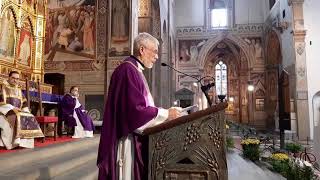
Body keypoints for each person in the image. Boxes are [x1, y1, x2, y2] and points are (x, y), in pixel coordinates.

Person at [97, 32, 181, 180]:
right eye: (154, 51)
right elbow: (135, 112)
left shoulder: (135, 70)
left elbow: (142, 106)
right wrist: (166, 114)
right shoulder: (128, 70)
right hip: (127, 140)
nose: (156, 56)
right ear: (142, 50)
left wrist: (164, 114)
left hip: (134, 136)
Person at [0, 71, 44, 149]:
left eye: (17, 79)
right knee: (16, 116)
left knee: (29, 116)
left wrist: (26, 110)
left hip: (17, 111)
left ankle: (24, 143)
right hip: (4, 111)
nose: (15, 80)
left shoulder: (18, 89)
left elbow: (24, 103)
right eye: (13, 78)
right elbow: (1, 102)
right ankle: (13, 143)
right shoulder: (2, 87)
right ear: (9, 77)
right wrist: (11, 108)